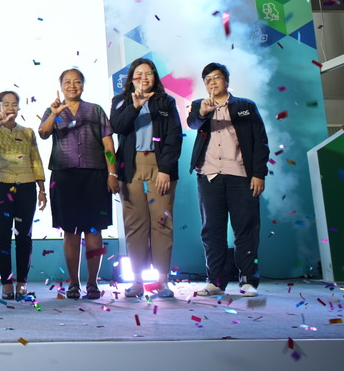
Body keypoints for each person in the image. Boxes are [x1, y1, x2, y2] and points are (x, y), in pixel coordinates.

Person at [187, 62, 269, 297]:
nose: (212, 82)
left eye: (217, 77)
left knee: (246, 229)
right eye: (208, 79)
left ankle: (248, 280)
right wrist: (203, 112)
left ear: (227, 81)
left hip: (241, 175)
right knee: (212, 230)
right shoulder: (200, 105)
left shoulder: (245, 106)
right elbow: (192, 123)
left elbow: (260, 141)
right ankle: (216, 281)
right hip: (209, 176)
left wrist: (258, 174)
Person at [38, 68, 118, 300]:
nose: (72, 86)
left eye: (77, 82)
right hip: (65, 177)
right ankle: (74, 283)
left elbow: (108, 146)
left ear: (83, 84)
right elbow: (43, 133)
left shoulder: (96, 110)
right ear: (61, 85)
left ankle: (92, 282)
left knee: (94, 232)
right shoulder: (53, 110)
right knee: (70, 233)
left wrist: (112, 173)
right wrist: (54, 114)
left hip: (95, 176)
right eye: (67, 82)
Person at [109, 58, 183, 299]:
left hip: (159, 167)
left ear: (155, 77)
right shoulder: (120, 101)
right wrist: (135, 106)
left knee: (162, 222)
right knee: (134, 225)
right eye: (138, 74)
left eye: (148, 73)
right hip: (130, 166)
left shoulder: (166, 101)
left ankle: (162, 281)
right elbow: (117, 127)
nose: (143, 78)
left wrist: (165, 169)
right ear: (131, 78)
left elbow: (174, 136)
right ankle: (137, 281)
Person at [0, 90, 46, 301]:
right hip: (0, 187)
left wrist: (42, 189)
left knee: (24, 236)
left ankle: (22, 282)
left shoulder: (28, 132)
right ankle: (6, 283)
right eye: (6, 104)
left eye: (14, 104)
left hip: (26, 187)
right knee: (2, 236)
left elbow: (36, 160)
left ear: (19, 107)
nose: (10, 108)